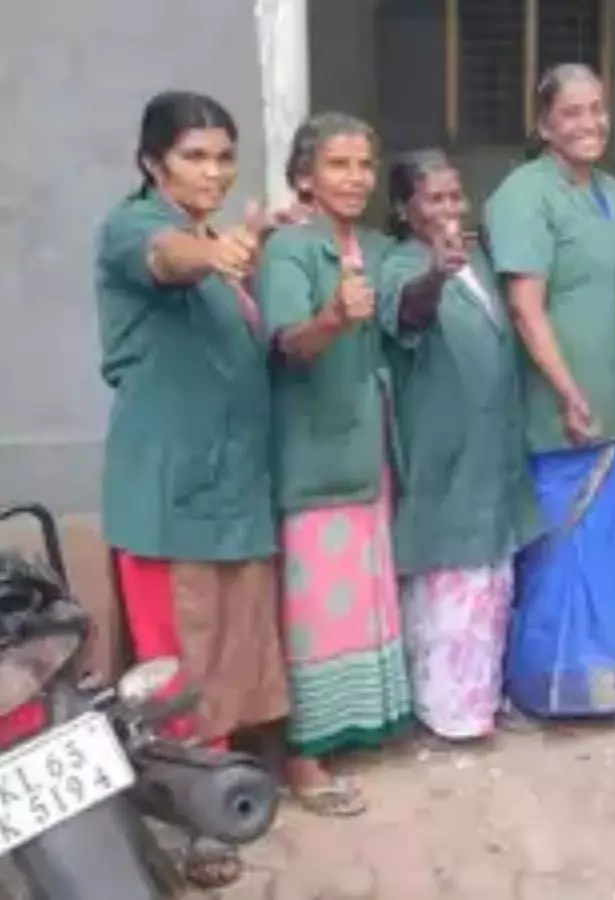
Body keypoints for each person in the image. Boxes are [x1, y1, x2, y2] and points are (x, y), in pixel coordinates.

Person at [95, 90, 289, 889]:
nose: (213, 171)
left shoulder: (221, 245)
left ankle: (220, 796)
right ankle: (191, 824)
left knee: (228, 657)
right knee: (176, 668)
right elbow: (165, 257)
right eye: (194, 156)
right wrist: (213, 254)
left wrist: (237, 249)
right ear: (152, 162)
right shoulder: (135, 227)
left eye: (224, 156)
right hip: (170, 494)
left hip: (231, 488)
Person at [259, 112, 411, 815]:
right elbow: (287, 345)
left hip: (365, 446)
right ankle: (303, 755)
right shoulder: (291, 250)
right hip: (314, 452)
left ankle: (348, 728)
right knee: (314, 608)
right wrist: (333, 317)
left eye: (363, 165)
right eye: (337, 165)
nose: (355, 179)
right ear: (304, 176)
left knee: (357, 598)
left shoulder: (372, 247)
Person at [483, 64, 615, 720]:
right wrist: (570, 393)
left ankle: (606, 686)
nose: (589, 123)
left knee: (604, 556)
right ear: (544, 125)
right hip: (560, 411)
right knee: (558, 555)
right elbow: (526, 309)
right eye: (571, 112)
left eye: (597, 108)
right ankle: (545, 688)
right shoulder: (524, 196)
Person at [376, 150, 541, 741]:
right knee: (447, 584)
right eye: (434, 198)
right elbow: (409, 314)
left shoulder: (479, 262)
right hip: (441, 448)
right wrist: (436, 277)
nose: (450, 208)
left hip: (489, 448)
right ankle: (444, 711)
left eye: (455, 196)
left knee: (490, 582)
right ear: (404, 209)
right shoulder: (401, 264)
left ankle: (482, 701)